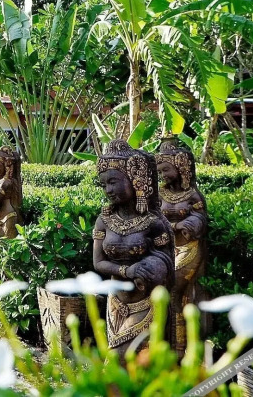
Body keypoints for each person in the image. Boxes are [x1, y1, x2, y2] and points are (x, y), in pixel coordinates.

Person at [94, 140, 175, 354]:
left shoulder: (153, 223)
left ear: (135, 181)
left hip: (146, 302)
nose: (108, 190)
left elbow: (167, 264)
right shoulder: (104, 220)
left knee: (120, 358)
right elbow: (98, 262)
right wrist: (126, 270)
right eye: (103, 184)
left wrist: (153, 266)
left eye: (113, 182)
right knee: (121, 361)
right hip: (116, 303)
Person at [156, 141, 208, 357]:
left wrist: (185, 225)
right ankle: (164, 343)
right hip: (166, 249)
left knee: (175, 289)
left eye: (165, 170)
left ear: (181, 168)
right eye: (159, 171)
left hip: (188, 248)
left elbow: (200, 219)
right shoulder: (160, 194)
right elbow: (154, 218)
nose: (162, 176)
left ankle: (180, 348)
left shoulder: (192, 196)